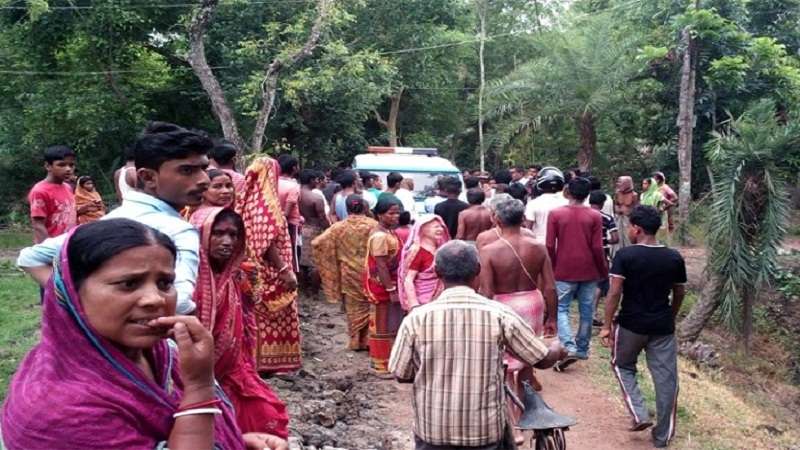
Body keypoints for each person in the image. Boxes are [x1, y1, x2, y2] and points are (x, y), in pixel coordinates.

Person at [3, 218, 287, 450]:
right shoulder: (59, 410)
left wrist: (232, 442)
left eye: (165, 283)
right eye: (129, 284)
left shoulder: (164, 355)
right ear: (72, 293)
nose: (155, 299)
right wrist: (200, 388)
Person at [18, 122, 213, 314]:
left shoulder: (114, 218)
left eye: (204, 168)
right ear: (148, 177)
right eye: (187, 170)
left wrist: (83, 305)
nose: (204, 180)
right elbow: (179, 303)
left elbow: (30, 258)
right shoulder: (178, 231)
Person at [389, 240, 567, 450]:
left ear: (437, 272)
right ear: (478, 271)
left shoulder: (416, 319)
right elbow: (541, 359)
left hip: (432, 433)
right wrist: (556, 348)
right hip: (484, 435)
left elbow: (401, 373)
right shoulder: (499, 314)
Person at [189, 207, 290, 439]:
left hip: (233, 370)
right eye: (219, 233)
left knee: (263, 416)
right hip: (197, 380)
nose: (227, 242)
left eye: (234, 235)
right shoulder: (187, 282)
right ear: (200, 234)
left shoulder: (233, 277)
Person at [599, 206, 686, 448]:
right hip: (663, 327)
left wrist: (606, 325)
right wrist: (671, 315)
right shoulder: (674, 257)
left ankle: (639, 413)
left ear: (636, 229)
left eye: (629, 226)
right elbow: (679, 291)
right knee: (667, 380)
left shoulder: (625, 257)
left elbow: (614, 292)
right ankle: (663, 436)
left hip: (631, 325)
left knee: (621, 365)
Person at [478, 196, 558, 440]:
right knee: (525, 363)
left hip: (502, 306)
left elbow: (487, 291)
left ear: (496, 219)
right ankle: (523, 417)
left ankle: (511, 426)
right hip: (532, 304)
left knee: (501, 367)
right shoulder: (537, 247)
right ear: (522, 219)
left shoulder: (489, 251)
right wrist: (551, 317)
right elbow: (550, 287)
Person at [237, 156, 301, 374]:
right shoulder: (267, 206)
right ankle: (267, 363)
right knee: (273, 316)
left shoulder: (246, 202)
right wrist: (284, 270)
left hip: (254, 270)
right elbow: (266, 241)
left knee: (254, 315)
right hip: (271, 271)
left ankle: (255, 359)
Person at [546, 177, 607, 370]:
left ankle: (568, 345)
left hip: (563, 268)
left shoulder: (556, 214)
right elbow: (598, 247)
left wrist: (551, 266)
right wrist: (603, 269)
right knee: (586, 309)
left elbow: (549, 245)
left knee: (562, 308)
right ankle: (582, 348)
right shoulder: (595, 216)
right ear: (587, 194)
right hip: (589, 269)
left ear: (568, 192)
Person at [312, 195, 377, 350]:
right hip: (369, 272)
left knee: (353, 307)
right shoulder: (373, 226)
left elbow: (317, 242)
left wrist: (332, 256)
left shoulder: (338, 227)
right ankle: (368, 340)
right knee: (369, 305)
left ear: (347, 209)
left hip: (348, 273)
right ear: (365, 207)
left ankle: (355, 341)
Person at [364, 195, 404, 374]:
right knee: (382, 325)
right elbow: (380, 264)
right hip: (382, 286)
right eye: (391, 213)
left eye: (397, 213)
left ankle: (390, 360)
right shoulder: (380, 236)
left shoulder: (389, 232)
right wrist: (391, 289)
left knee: (390, 323)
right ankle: (381, 365)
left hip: (389, 282)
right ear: (380, 215)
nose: (395, 217)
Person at [398, 214, 450, 311]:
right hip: (422, 302)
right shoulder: (417, 251)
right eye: (436, 227)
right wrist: (414, 305)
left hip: (440, 301)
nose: (440, 229)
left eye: (441, 226)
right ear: (423, 229)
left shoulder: (441, 250)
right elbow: (408, 280)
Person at [28, 145, 77, 244]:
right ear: (48, 166)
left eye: (71, 165)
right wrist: (48, 250)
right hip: (52, 248)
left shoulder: (67, 187)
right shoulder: (40, 191)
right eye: (61, 165)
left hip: (68, 245)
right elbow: (38, 225)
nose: (68, 169)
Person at [589, 190, 619, 327]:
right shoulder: (607, 218)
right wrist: (604, 241)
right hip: (602, 255)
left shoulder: (582, 216)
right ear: (602, 204)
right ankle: (593, 313)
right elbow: (615, 238)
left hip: (583, 255)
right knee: (599, 284)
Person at [298, 169, 330, 293]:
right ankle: (314, 291)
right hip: (314, 229)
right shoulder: (316, 198)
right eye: (316, 180)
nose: (317, 182)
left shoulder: (295, 194)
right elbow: (322, 218)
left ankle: (303, 288)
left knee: (301, 261)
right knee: (316, 263)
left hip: (300, 228)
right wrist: (328, 230)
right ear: (311, 180)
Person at [524, 166, 567, 242]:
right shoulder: (567, 203)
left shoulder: (533, 204)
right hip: (563, 245)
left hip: (539, 245)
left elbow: (528, 230)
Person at [277, 154, 303, 273]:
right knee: (291, 250)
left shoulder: (273, 182)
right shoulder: (294, 186)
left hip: (272, 220)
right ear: (293, 168)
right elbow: (287, 212)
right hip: (289, 223)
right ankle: (292, 274)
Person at [614, 175, 639, 249]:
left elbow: (635, 208)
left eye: (620, 182)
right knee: (619, 237)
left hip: (628, 219)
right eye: (618, 182)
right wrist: (618, 210)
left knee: (628, 237)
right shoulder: (617, 193)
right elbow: (615, 205)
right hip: (619, 218)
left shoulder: (634, 195)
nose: (618, 184)